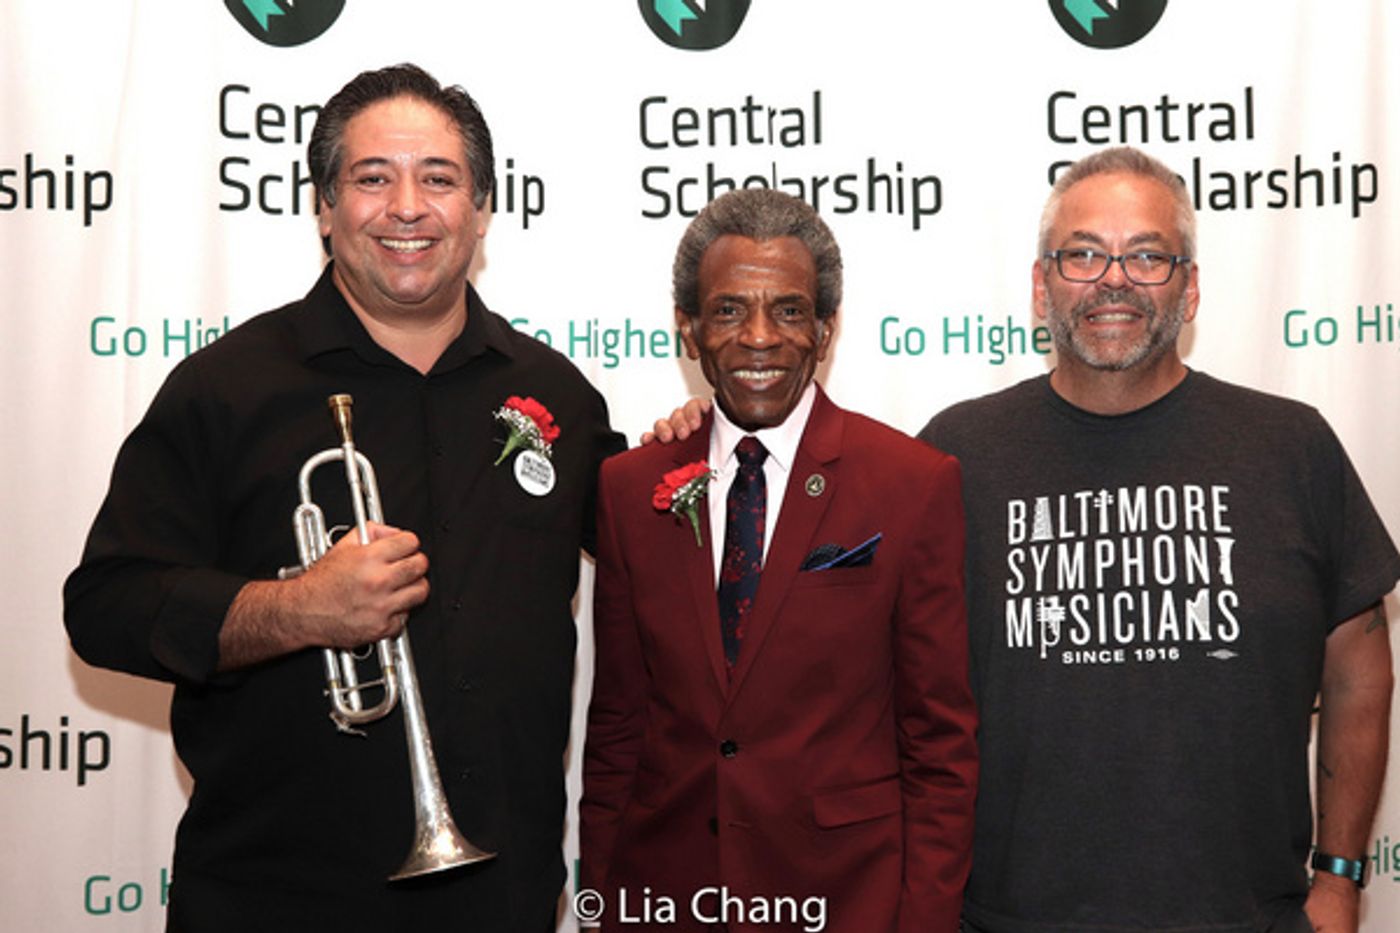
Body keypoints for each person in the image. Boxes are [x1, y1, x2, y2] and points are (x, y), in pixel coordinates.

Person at [64, 63, 624, 932]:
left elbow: (657, 554)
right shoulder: (226, 388)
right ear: (325, 208)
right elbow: (104, 607)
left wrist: (706, 443)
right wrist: (298, 610)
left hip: (501, 897)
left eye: (439, 179)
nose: (408, 206)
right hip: (274, 897)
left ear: (480, 210)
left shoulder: (555, 394)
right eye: (373, 178)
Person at [918, 147, 1398, 933]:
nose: (1115, 279)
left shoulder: (1289, 446)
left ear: (1191, 286)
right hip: (1007, 919)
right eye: (1083, 254)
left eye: (1146, 255)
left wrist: (1340, 879)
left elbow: (1358, 670)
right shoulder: (957, 452)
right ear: (1042, 286)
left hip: (1248, 918)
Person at [580, 188, 978, 932]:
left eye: (789, 311)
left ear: (825, 332)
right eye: (728, 310)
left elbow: (939, 747)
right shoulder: (632, 488)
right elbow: (618, 732)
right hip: (668, 900)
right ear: (689, 331)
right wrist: (603, 905)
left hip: (845, 900)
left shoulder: (912, 484)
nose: (758, 337)